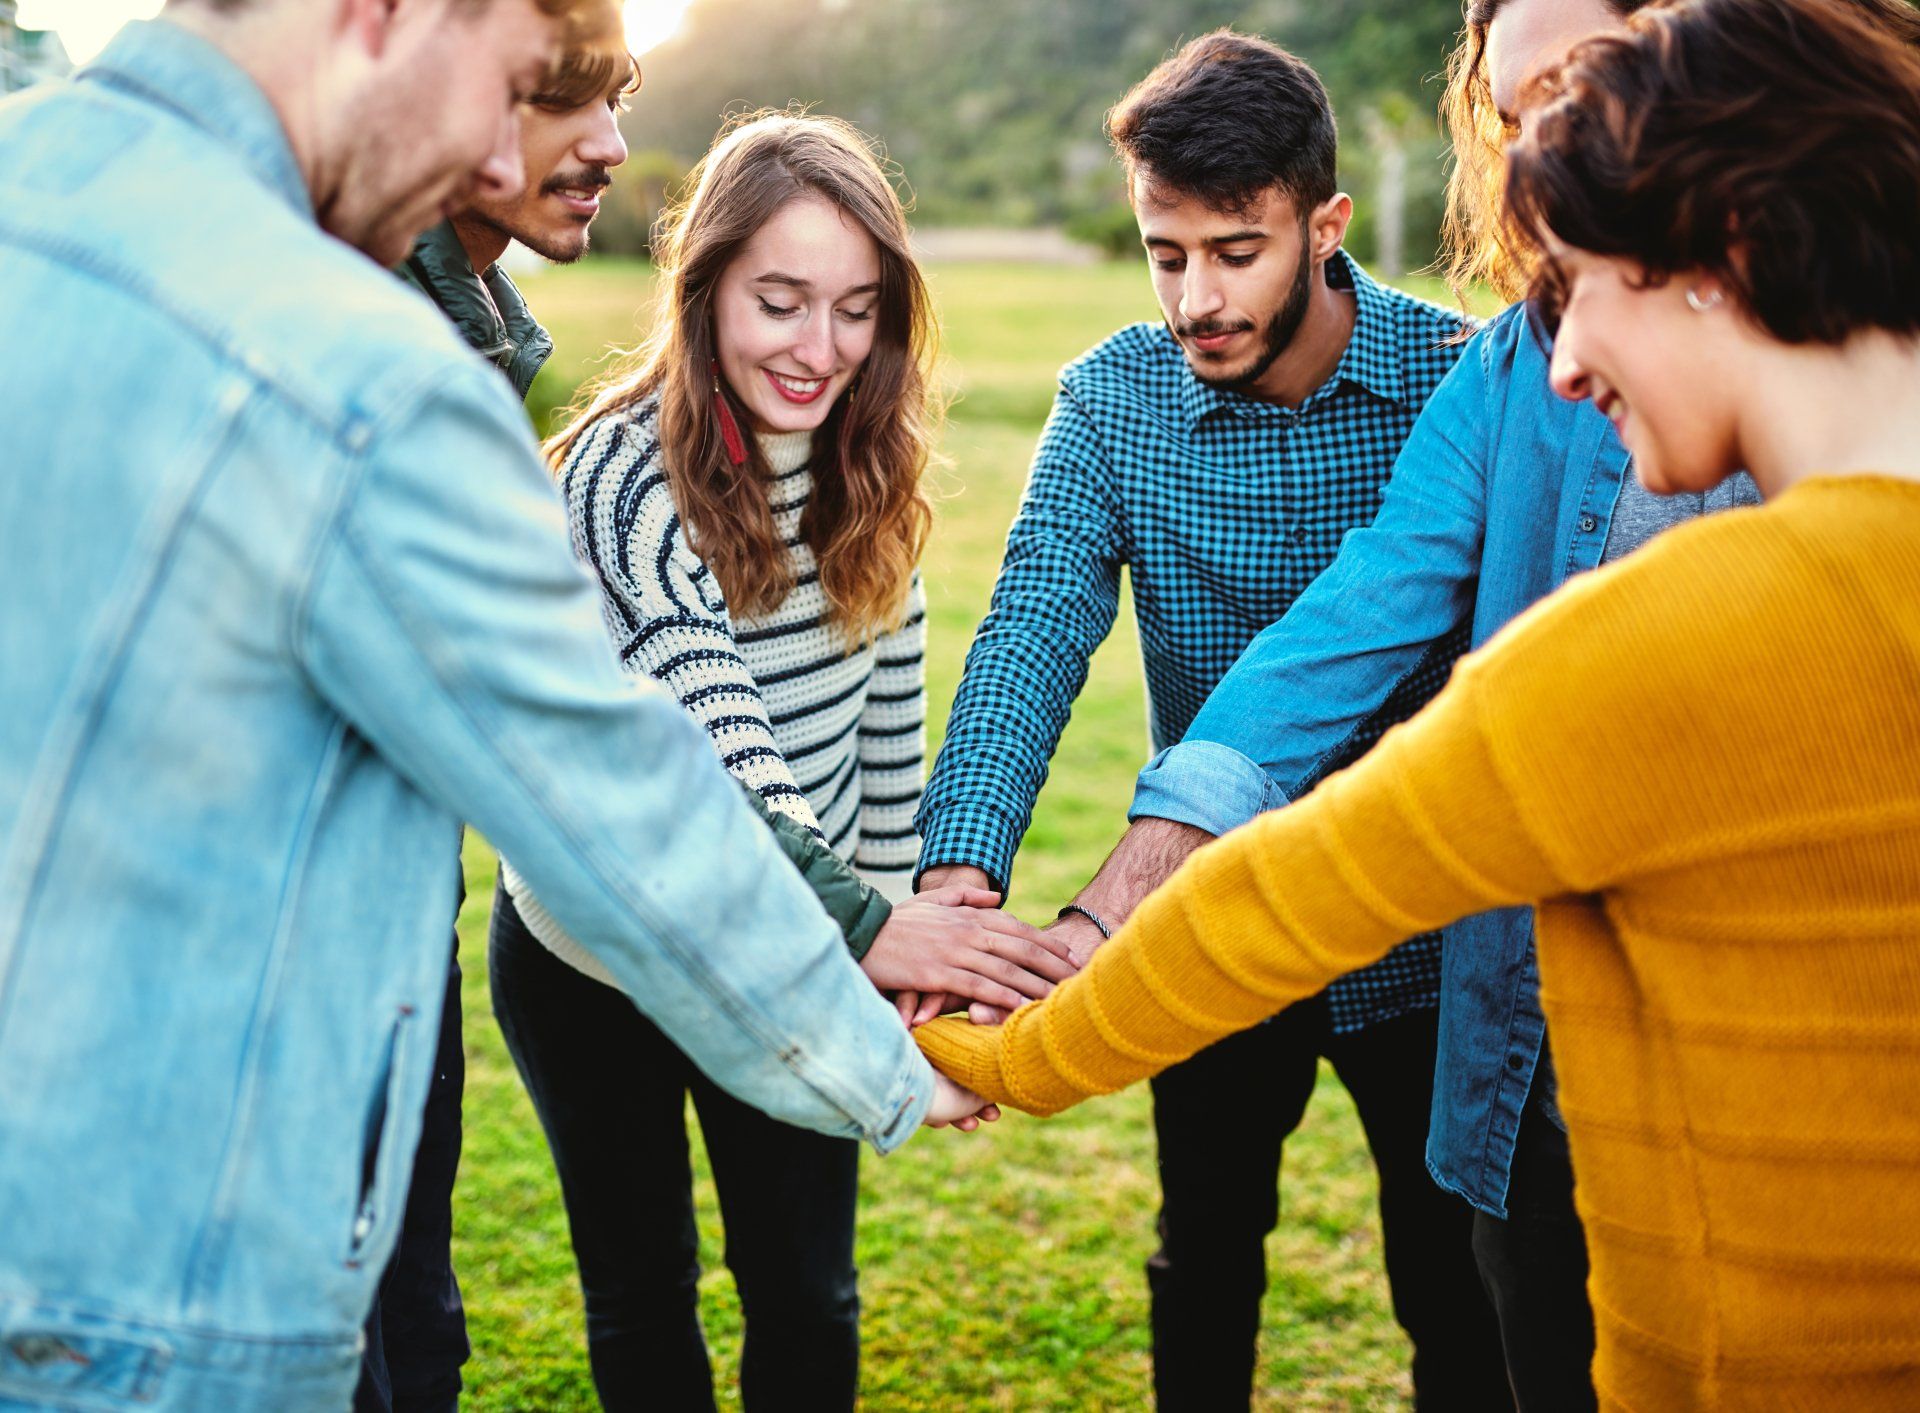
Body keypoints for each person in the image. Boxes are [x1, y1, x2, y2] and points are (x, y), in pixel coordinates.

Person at [916, 0, 1920, 1408]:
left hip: (1669, 1240)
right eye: (1515, 125)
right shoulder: (1480, 397)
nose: (1562, 356)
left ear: (1717, 226)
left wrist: (1007, 1046)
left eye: (1591, 270)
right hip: (1523, 1070)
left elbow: (1305, 882)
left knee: (1447, 1308)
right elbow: (1222, 656)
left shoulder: (1633, 634)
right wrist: (1013, 918)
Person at [0, 1, 988, 1408]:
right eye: (519, 85)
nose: (501, 158)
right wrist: (876, 1055)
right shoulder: (362, 376)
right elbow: (616, 796)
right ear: (389, 15)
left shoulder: (30, 187)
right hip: (168, 1298)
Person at [912, 30, 1509, 1409]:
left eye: (1236, 252)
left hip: (1424, 933)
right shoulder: (1110, 399)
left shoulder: (1459, 380)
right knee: (1206, 1255)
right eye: (1164, 253)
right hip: (1202, 924)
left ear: (1325, 224)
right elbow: (1029, 635)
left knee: (1454, 1289)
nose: (1197, 298)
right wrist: (961, 879)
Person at [486, 111, 1067, 1411]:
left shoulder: (872, 465)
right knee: (644, 1295)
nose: (820, 349)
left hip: (799, 941)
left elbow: (884, 745)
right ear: (704, 292)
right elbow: (721, 757)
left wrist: (896, 971)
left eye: (856, 310)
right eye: (781, 302)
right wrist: (870, 934)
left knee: (807, 1294)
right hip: (601, 964)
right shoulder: (618, 481)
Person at [355, 22, 637, 1413]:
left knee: (418, 1334)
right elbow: (556, 733)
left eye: (617, 99)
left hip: (407, 931)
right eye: (563, 101)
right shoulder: (368, 335)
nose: (611, 145)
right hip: (305, 966)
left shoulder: (473, 326)